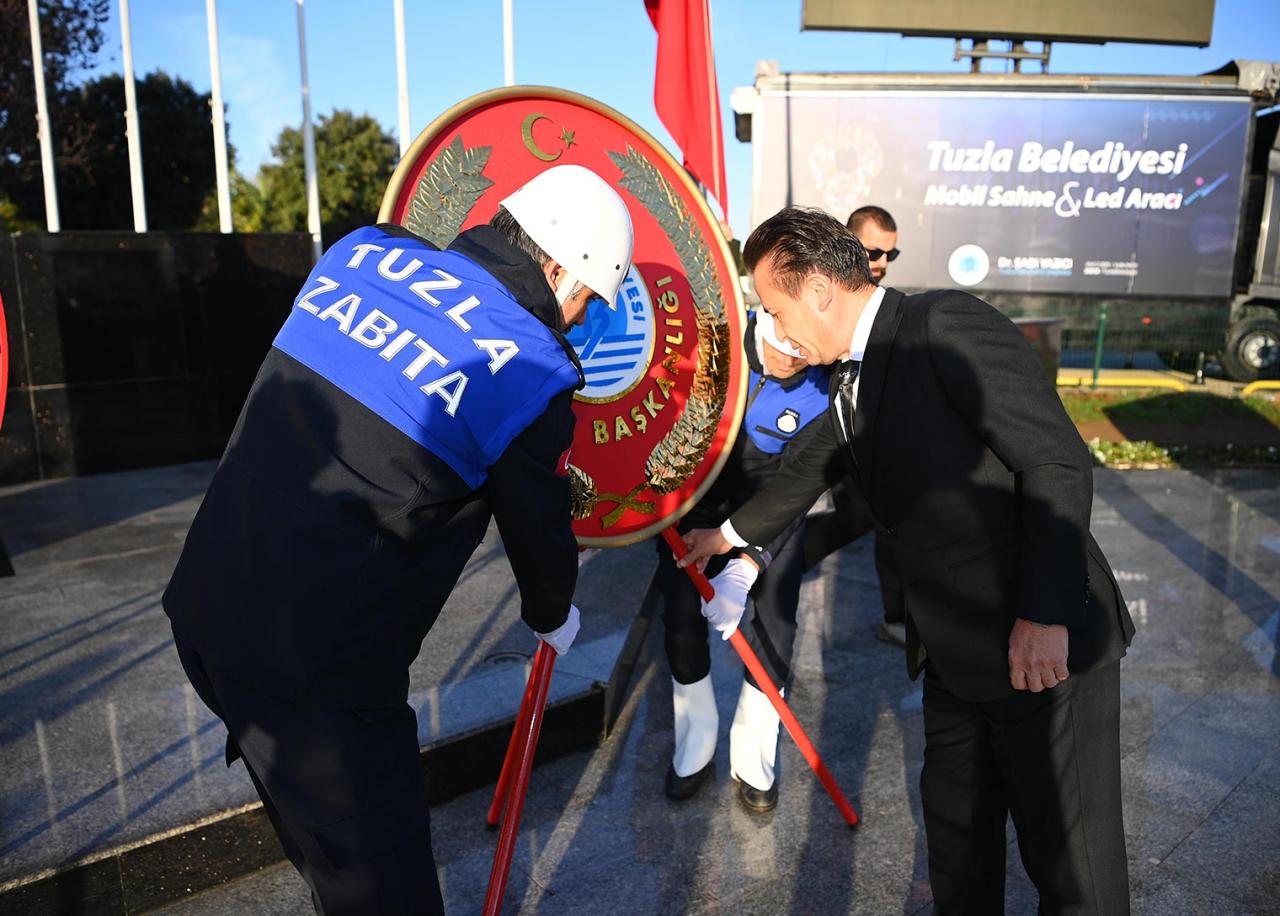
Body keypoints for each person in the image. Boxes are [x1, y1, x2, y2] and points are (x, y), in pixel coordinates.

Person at [163, 164, 633, 914]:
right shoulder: (529, 369)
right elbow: (537, 529)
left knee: (325, 858)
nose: (577, 322)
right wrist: (554, 613)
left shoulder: (363, 250)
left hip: (204, 610)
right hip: (318, 673)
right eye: (586, 301)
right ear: (555, 267)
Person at [682, 206, 1135, 914]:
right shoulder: (850, 374)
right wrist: (729, 537)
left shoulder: (942, 326)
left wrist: (1045, 617)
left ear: (819, 291)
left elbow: (1056, 462)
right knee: (958, 848)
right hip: (954, 652)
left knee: (1073, 867)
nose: (769, 322)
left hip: (1042, 645)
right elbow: (812, 466)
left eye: (772, 304)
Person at [656, 308, 831, 813]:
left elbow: (798, 486)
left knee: (775, 629)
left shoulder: (825, 386)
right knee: (681, 624)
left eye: (804, 350)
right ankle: (696, 742)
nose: (790, 358)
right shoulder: (716, 338)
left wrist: (750, 558)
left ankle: (754, 758)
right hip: (692, 502)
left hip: (772, 508)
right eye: (782, 344)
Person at [802, 205, 908, 647]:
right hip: (817, 437)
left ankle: (898, 616)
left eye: (892, 253)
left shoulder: (894, 312)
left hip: (868, 450)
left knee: (886, 520)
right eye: (873, 251)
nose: (882, 262)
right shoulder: (812, 298)